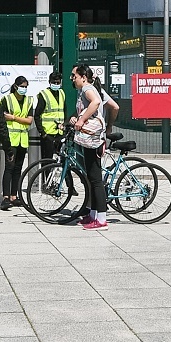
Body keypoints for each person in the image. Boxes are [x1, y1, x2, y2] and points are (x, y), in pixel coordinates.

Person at [68, 66, 110, 229]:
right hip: (89, 139)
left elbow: (96, 102)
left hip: (93, 139)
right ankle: (93, 215)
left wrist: (81, 120)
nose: (72, 78)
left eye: (74, 76)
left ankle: (101, 219)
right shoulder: (84, 90)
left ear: (83, 77)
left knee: (95, 179)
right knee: (92, 178)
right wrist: (77, 118)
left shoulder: (87, 89)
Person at [0, 75, 34, 210]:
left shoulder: (29, 101)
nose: (24, 89)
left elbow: (29, 120)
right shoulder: (7, 99)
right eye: (22, 86)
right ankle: (6, 197)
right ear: (15, 86)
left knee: (18, 168)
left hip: (22, 139)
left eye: (25, 87)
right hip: (10, 139)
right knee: (9, 167)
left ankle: (14, 195)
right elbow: (1, 118)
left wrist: (13, 117)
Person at [35, 69, 66, 172]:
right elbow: (37, 115)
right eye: (54, 82)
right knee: (47, 161)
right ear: (49, 82)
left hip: (60, 133)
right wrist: (42, 133)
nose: (56, 84)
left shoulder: (62, 93)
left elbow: (64, 111)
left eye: (58, 82)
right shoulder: (44, 95)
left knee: (63, 160)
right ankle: (46, 184)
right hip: (48, 134)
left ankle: (69, 186)